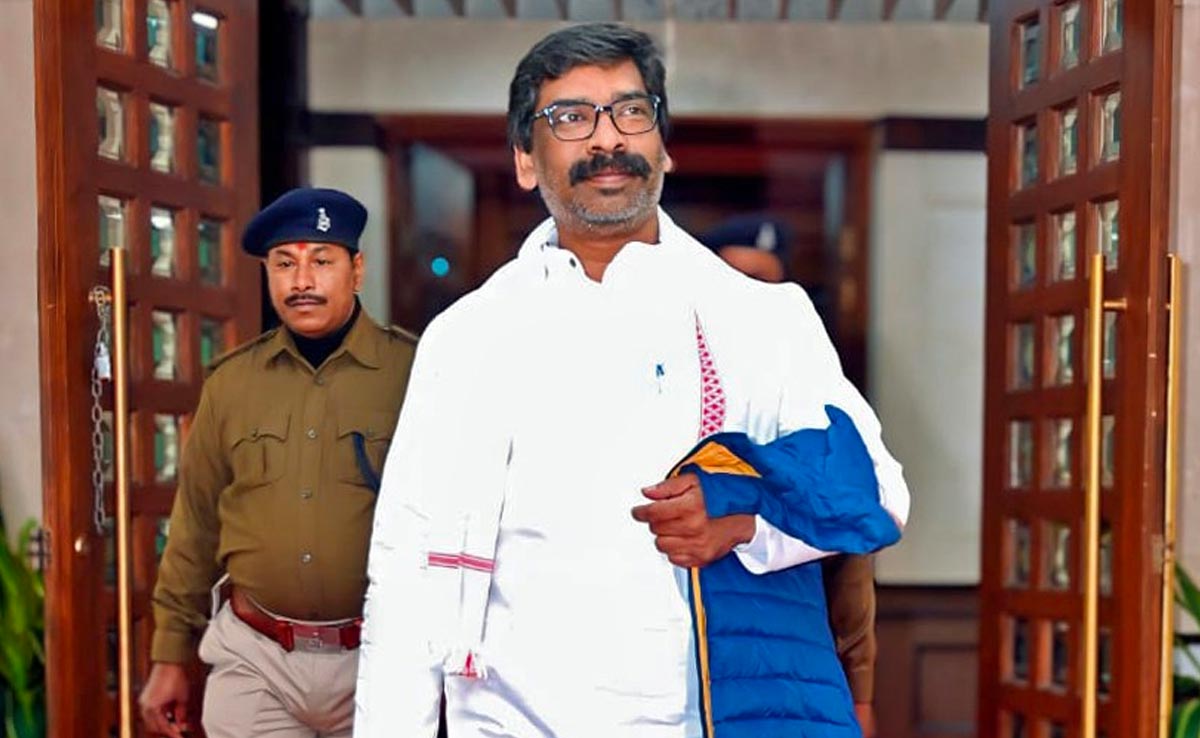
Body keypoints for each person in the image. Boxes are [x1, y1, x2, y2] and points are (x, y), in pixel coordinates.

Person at [355, 22, 909, 738]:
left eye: (630, 111)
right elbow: (405, 572)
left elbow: (879, 492)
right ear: (525, 159)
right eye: (571, 118)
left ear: (664, 146)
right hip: (509, 720)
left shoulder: (760, 316)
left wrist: (747, 519)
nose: (607, 138)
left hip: (700, 717)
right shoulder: (467, 338)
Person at [138, 188, 418, 738]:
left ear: (357, 270)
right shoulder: (232, 384)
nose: (302, 281)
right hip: (256, 658)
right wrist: (170, 653)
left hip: (382, 657)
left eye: (322, 261)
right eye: (284, 264)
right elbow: (195, 524)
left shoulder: (412, 372)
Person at [703, 214, 880, 737]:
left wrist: (861, 690)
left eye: (763, 283)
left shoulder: (803, 383)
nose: (748, 298)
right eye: (735, 279)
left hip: (788, 652)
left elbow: (851, 555)